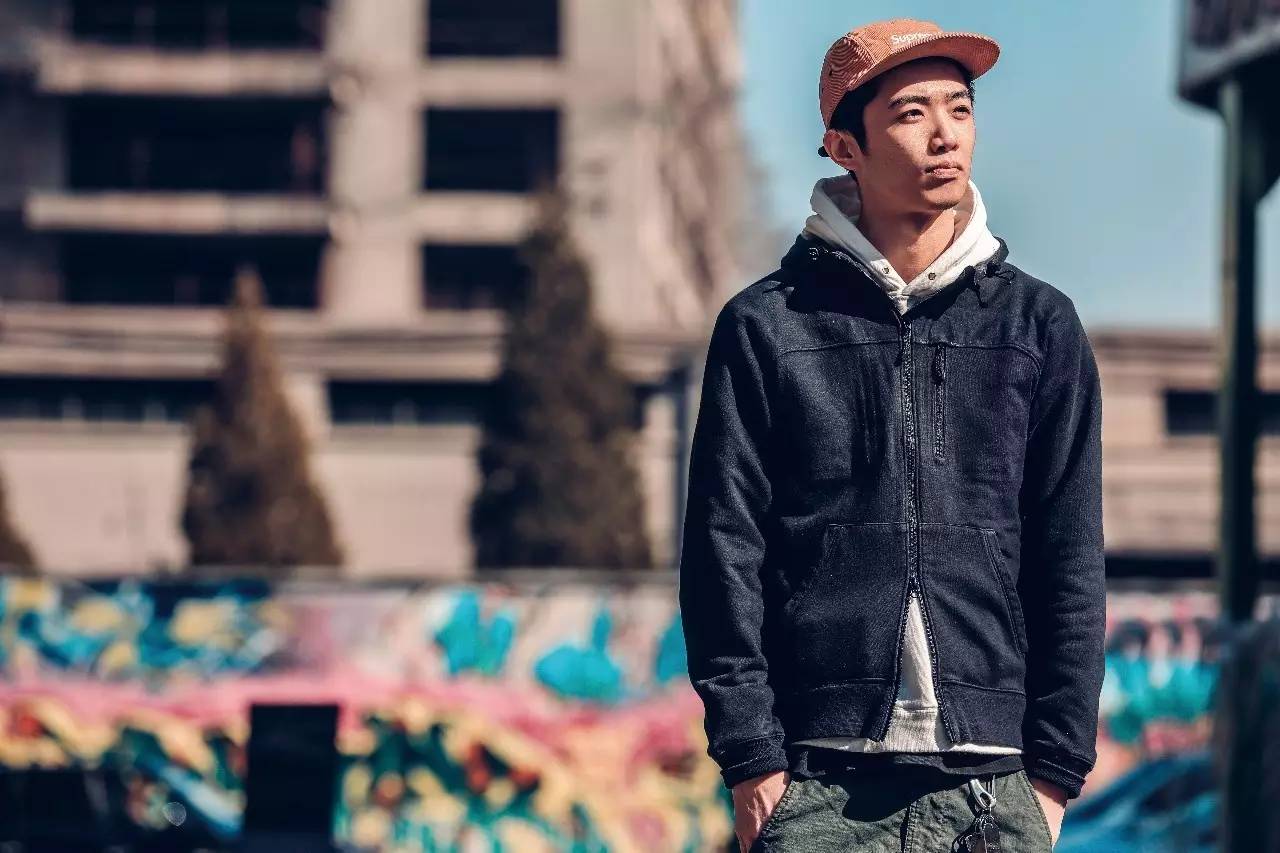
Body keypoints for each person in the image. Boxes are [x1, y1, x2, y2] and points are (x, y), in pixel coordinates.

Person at [677, 17, 1106, 852]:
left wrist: (1055, 773)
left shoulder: (1037, 325)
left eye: (960, 108)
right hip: (817, 783)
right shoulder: (768, 327)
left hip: (995, 785)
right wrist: (751, 758)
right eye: (912, 113)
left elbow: (1071, 555)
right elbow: (722, 551)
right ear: (846, 147)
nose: (946, 134)